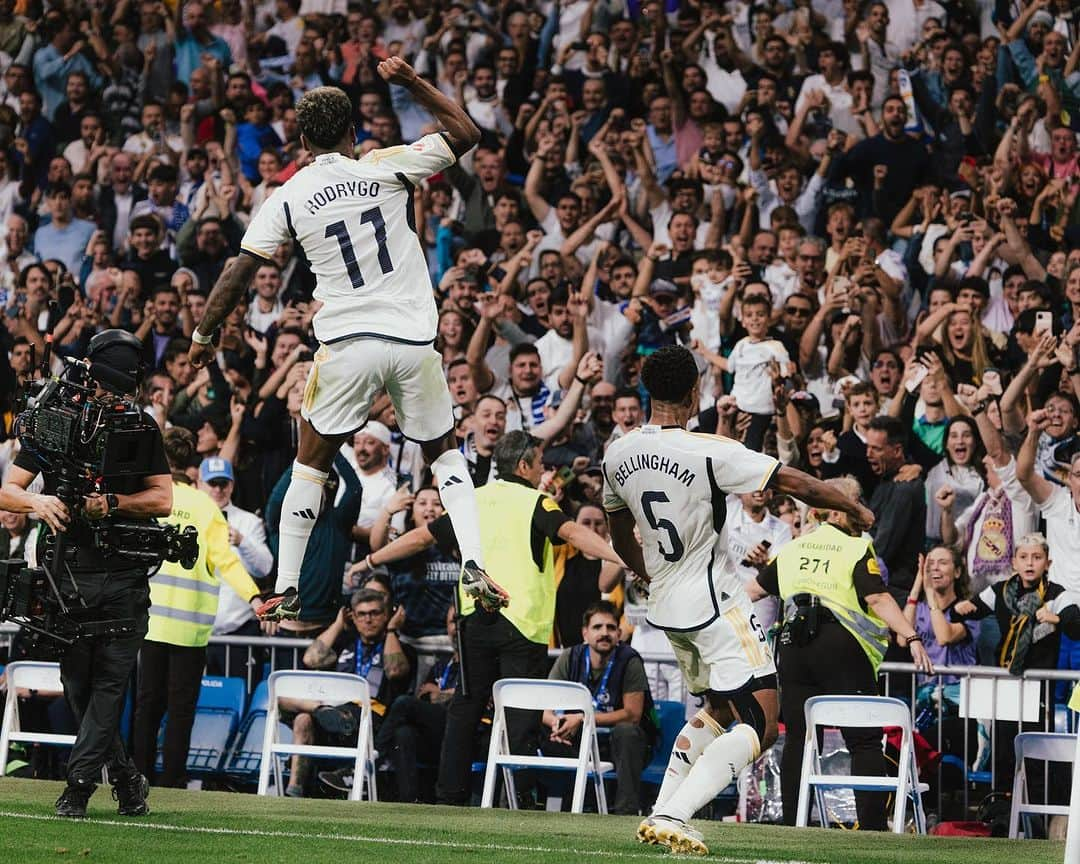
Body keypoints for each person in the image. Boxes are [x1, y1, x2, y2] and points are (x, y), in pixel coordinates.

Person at [188, 58, 496, 622]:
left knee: (311, 465)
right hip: (412, 340)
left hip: (348, 343)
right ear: (353, 132)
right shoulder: (385, 166)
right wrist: (410, 84)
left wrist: (205, 333)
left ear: (302, 140)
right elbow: (468, 134)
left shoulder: (289, 194)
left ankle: (284, 584)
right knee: (445, 454)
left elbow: (239, 269)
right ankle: (474, 560)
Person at [603, 345, 875, 854]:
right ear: (693, 392)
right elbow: (794, 482)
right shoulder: (710, 449)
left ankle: (660, 812)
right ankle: (675, 813)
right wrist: (852, 506)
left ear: (646, 391)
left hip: (665, 607)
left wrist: (647, 574)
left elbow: (620, 536)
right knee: (763, 723)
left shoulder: (617, 452)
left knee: (721, 713)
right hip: (716, 605)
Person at [361, 429, 625, 806]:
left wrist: (371, 559)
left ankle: (448, 796)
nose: (542, 470)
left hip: (475, 617)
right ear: (523, 465)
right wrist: (620, 556)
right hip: (522, 621)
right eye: (539, 462)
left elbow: (421, 538)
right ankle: (517, 797)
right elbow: (573, 533)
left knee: (465, 709)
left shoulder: (472, 500)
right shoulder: (538, 502)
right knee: (520, 713)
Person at [0, 330, 172, 818]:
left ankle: (77, 788)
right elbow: (7, 491)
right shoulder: (55, 423)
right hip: (65, 575)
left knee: (110, 682)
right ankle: (126, 778)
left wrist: (111, 503)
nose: (112, 397)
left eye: (121, 389)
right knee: (78, 687)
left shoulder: (142, 428)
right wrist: (37, 500)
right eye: (107, 386)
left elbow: (162, 498)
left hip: (122, 572)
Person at [747, 478, 932, 830]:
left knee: (799, 738)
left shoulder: (794, 548)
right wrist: (911, 637)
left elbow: (753, 591)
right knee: (863, 739)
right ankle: (874, 829)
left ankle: (792, 825)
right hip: (840, 648)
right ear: (843, 510)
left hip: (793, 646)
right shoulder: (855, 549)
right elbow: (877, 598)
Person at [132, 429, 265, 788]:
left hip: (151, 623)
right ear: (191, 465)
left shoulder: (144, 500)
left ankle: (135, 778)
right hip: (191, 629)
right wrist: (254, 598)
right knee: (180, 710)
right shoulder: (206, 508)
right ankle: (173, 782)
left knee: (147, 706)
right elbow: (227, 561)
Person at [281, 587, 415, 797]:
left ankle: (324, 710)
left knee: (338, 711)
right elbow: (311, 659)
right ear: (352, 617)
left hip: (368, 720)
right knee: (301, 718)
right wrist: (337, 625)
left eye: (375, 613)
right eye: (361, 614)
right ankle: (294, 789)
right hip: (332, 713)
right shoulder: (344, 644)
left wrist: (391, 631)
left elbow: (395, 671)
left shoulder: (400, 648)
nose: (368, 620)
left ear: (387, 615)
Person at [543, 600, 654, 815]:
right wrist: (559, 723)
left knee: (627, 732)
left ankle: (625, 813)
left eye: (611, 628)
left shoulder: (630, 660)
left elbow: (632, 714)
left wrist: (584, 719)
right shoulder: (570, 657)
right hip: (577, 738)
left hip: (617, 742)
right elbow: (546, 710)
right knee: (547, 732)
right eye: (597, 627)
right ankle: (565, 810)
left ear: (619, 633)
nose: (605, 633)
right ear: (585, 633)